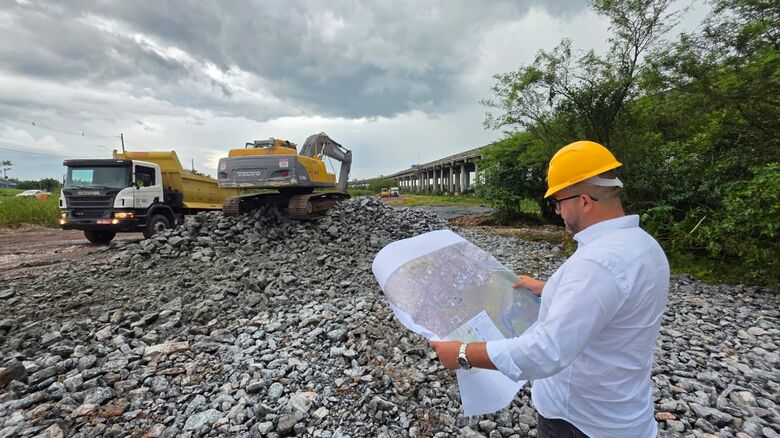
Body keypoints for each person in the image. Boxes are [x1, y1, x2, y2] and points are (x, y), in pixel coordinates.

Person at [430, 140, 670, 438]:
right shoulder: (644, 245)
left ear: (584, 201)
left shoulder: (597, 263)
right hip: (623, 414)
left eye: (557, 202)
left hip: (580, 423)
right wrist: (549, 288)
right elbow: (613, 302)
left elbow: (547, 351)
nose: (556, 211)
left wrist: (463, 353)